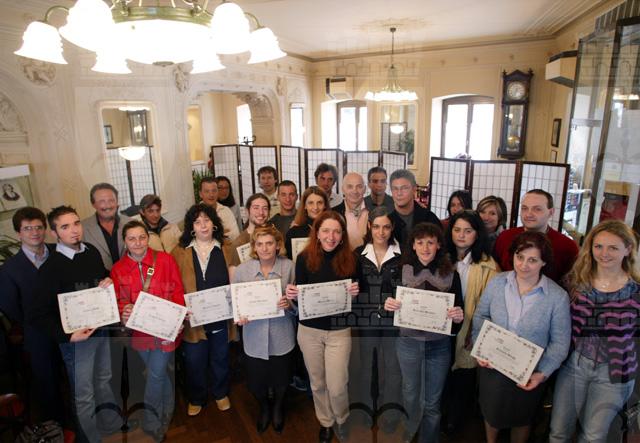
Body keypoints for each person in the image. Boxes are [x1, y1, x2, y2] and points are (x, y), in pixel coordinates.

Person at [31, 205, 122, 443]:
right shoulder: (50, 268)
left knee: (104, 378)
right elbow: (38, 315)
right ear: (54, 233)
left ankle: (111, 424)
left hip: (100, 329)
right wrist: (68, 336)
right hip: (77, 340)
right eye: (65, 226)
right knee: (84, 394)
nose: (74, 230)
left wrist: (107, 279)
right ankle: (89, 438)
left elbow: (101, 275)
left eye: (76, 223)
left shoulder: (90, 251)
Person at [472, 231, 571, 443]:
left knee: (522, 419)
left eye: (533, 260)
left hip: (530, 373)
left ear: (544, 262)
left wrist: (542, 373)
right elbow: (481, 315)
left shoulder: (557, 297)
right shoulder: (497, 282)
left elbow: (560, 343)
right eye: (520, 257)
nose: (524, 265)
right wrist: (480, 348)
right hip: (492, 365)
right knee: (490, 413)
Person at [549, 220, 640, 443]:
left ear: (628, 249)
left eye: (613, 247)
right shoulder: (574, 282)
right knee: (558, 431)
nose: (604, 253)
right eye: (598, 246)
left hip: (615, 372)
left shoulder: (636, 291)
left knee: (593, 437)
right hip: (574, 365)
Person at [384, 222, 464, 443]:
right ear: (413, 245)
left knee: (432, 402)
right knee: (410, 393)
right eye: (420, 242)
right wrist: (388, 305)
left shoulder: (452, 275)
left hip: (439, 346)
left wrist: (458, 316)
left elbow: (458, 316)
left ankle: (428, 438)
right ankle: (411, 429)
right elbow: (389, 309)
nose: (425, 248)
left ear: (438, 245)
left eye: (430, 242)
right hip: (408, 343)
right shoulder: (400, 270)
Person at [285, 211, 359, 443]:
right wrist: (293, 295)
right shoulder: (304, 258)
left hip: (339, 331)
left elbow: (359, 296)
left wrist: (356, 293)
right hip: (310, 331)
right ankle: (326, 422)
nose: (331, 236)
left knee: (337, 385)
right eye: (326, 230)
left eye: (336, 231)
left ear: (343, 235)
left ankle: (342, 418)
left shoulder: (351, 259)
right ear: (317, 233)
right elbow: (301, 299)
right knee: (317, 383)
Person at [111, 220, 185, 442]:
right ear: (125, 242)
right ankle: (167, 409)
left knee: (154, 374)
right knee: (157, 373)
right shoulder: (118, 269)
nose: (138, 243)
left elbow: (178, 290)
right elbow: (117, 300)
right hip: (139, 332)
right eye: (132, 238)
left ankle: (152, 421)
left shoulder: (165, 260)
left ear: (148, 238)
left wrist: (177, 317)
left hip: (165, 328)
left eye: (142, 237)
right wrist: (123, 310)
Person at [0, 207, 63, 424]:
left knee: (74, 376)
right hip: (37, 333)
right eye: (27, 229)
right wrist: (35, 321)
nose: (34, 233)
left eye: (38, 227)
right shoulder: (9, 269)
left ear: (45, 229)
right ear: (18, 233)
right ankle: (55, 426)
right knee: (47, 382)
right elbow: (10, 306)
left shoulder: (60, 253)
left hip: (68, 326)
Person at [232, 225, 296, 434]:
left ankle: (277, 407)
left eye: (269, 243)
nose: (265, 248)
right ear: (254, 247)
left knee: (281, 380)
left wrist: (290, 304)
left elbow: (299, 302)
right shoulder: (242, 270)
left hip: (282, 334)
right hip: (254, 336)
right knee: (256, 383)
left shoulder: (289, 267)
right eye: (259, 244)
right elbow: (234, 301)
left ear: (278, 245)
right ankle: (264, 407)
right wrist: (239, 316)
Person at [171, 204, 233, 417]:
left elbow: (237, 279)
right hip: (193, 319)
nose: (203, 225)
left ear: (214, 223)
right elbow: (173, 284)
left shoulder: (227, 247)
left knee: (220, 357)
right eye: (197, 222)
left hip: (221, 315)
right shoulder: (179, 252)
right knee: (194, 361)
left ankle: (220, 393)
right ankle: (196, 397)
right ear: (191, 227)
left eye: (207, 220)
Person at [443, 210, 500, 433]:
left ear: (477, 234)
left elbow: (491, 307)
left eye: (468, 231)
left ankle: (455, 421)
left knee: (463, 377)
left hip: (469, 329)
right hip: (441, 327)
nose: (461, 235)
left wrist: (475, 333)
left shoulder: (488, 266)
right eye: (457, 230)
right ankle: (440, 415)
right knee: (442, 374)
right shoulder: (440, 256)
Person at [352, 206, 403, 432]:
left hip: (394, 322)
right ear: (369, 227)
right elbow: (353, 288)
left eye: (386, 227)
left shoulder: (403, 255)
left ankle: (389, 412)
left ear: (392, 228)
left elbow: (407, 289)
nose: (381, 232)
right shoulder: (358, 254)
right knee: (367, 367)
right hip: (367, 321)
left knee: (392, 368)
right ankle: (367, 407)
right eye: (376, 227)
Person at [494, 189, 579, 284]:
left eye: (537, 209)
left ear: (551, 212)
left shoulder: (567, 246)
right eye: (524, 208)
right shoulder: (505, 237)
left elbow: (571, 283)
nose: (529, 214)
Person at [81, 182, 130, 270]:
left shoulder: (131, 223)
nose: (107, 206)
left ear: (117, 202)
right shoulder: (83, 228)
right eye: (102, 201)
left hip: (131, 276)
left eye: (111, 200)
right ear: (93, 204)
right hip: (99, 277)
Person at [388, 169, 441, 249]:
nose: (399, 193)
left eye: (404, 188)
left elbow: (440, 248)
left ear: (414, 189)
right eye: (395, 188)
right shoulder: (386, 219)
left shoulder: (429, 218)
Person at [225, 193, 271, 269]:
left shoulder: (276, 237)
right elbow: (233, 274)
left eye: (265, 208)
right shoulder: (239, 243)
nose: (261, 212)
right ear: (247, 211)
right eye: (256, 208)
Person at [285, 186, 328, 261]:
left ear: (325, 205)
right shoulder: (293, 232)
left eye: (320, 203)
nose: (315, 207)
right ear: (304, 205)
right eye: (311, 203)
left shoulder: (333, 230)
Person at [333, 172, 368, 250]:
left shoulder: (374, 211)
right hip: (342, 257)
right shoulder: (333, 213)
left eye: (359, 187)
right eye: (350, 187)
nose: (355, 191)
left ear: (365, 189)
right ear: (343, 189)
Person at [198, 176, 240, 241]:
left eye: (214, 191)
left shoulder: (226, 211)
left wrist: (208, 234)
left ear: (217, 192)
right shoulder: (194, 212)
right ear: (200, 194)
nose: (211, 195)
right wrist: (222, 232)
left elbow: (235, 235)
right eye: (207, 191)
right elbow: (192, 237)